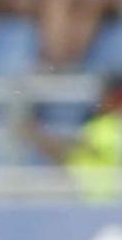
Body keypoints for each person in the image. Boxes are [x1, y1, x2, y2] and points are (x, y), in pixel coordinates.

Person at [24, 74, 122, 203]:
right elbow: (72, 153)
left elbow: (80, 148)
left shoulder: (107, 126)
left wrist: (38, 136)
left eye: (105, 95)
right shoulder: (97, 125)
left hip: (108, 202)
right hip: (93, 201)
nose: (100, 100)